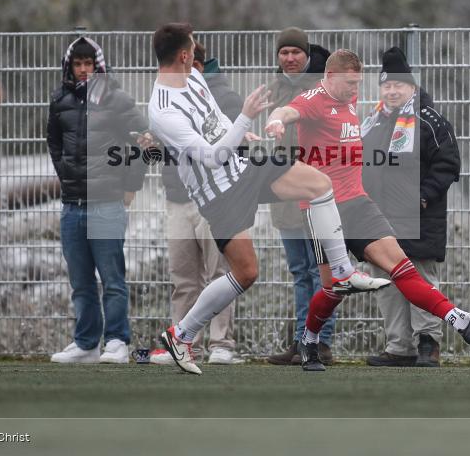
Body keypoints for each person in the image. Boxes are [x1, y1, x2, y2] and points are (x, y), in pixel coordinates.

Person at [146, 23, 388, 375]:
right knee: (246, 273)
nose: (197, 52)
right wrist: (245, 114)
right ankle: (181, 335)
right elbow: (211, 156)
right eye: (194, 47)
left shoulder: (194, 78)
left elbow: (215, 125)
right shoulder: (162, 109)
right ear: (184, 55)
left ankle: (340, 272)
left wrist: (241, 130)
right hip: (219, 194)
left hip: (243, 167)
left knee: (319, 184)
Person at [264, 49, 470, 372]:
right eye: (351, 83)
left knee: (402, 268)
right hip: (325, 209)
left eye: (359, 83)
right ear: (332, 78)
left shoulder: (351, 102)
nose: (357, 90)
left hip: (360, 204)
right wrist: (275, 123)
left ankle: (462, 321)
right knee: (334, 287)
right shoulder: (314, 99)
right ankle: (309, 339)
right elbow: (285, 111)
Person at [47, 36, 146, 364]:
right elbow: (54, 143)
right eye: (78, 64)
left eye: (89, 64)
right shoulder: (60, 99)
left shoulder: (117, 100)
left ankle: (117, 342)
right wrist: (65, 176)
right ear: (69, 67)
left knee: (112, 278)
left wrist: (131, 185)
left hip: (107, 204)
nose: (84, 70)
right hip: (72, 206)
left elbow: (144, 141)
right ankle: (86, 344)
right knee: (80, 281)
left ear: (99, 65)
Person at [361, 47, 461, 367]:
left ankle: (428, 344)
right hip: (379, 219)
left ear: (412, 87)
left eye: (398, 86)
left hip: (419, 216)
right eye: (386, 86)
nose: (391, 91)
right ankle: (399, 347)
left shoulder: (429, 121)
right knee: (387, 281)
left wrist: (423, 196)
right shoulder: (372, 121)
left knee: (420, 278)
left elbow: (448, 164)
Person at [151, 41, 243, 366]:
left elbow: (225, 147)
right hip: (177, 198)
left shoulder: (225, 98)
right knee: (183, 275)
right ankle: (185, 342)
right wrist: (152, 143)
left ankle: (222, 343)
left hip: (215, 198)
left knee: (220, 271)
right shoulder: (166, 99)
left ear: (196, 65)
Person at [264, 28, 337, 366]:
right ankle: (299, 341)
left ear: (307, 54)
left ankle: (321, 343)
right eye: (284, 53)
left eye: (295, 52)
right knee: (298, 271)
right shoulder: (274, 89)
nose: (289, 58)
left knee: (319, 271)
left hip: (316, 190)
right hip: (285, 193)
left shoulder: (325, 88)